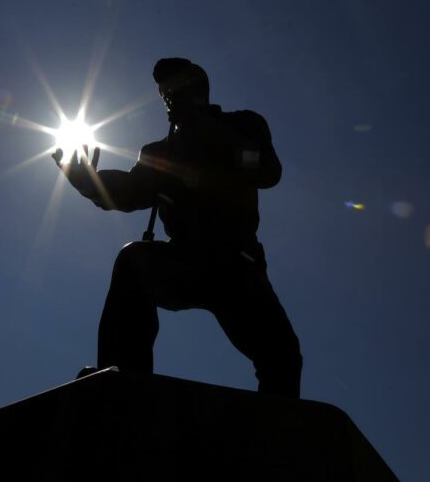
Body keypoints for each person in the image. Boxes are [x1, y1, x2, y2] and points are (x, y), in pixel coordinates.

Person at [52, 58, 302, 398]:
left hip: (237, 266)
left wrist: (208, 131)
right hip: (186, 262)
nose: (169, 96)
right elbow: (128, 192)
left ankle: (278, 435)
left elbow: (266, 170)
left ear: (199, 89)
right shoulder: (160, 152)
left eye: (177, 88)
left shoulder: (244, 125)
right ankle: (124, 382)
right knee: (133, 261)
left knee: (282, 357)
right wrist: (89, 182)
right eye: (165, 92)